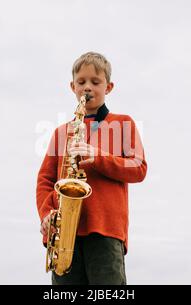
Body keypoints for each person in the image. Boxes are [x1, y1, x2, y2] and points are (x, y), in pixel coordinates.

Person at [36, 51, 147, 285]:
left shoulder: (123, 123)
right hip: (64, 234)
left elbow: (139, 168)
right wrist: (46, 214)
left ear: (109, 87)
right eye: (81, 82)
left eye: (95, 82)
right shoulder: (60, 133)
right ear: (72, 87)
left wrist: (98, 157)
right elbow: (45, 180)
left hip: (105, 232)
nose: (87, 87)